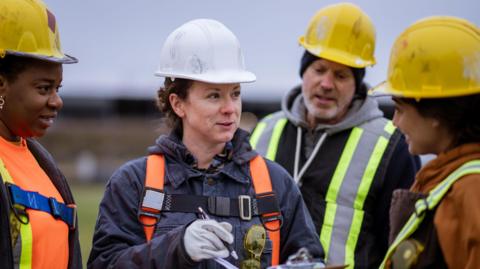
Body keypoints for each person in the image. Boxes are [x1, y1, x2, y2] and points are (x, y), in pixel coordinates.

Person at [87, 18, 324, 269]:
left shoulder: (275, 184)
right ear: (178, 104)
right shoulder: (135, 184)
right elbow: (105, 264)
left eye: (235, 93)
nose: (230, 109)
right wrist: (177, 247)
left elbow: (310, 259)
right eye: (214, 96)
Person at [250, 3, 420, 269]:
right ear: (303, 72)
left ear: (357, 83)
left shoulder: (391, 146)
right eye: (318, 70)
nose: (327, 84)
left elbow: (403, 246)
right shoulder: (263, 131)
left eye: (341, 75)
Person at [373, 16, 480, 269]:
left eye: (400, 109)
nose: (395, 122)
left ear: (435, 112)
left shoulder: (470, 189)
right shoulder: (447, 178)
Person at [0, 0, 81, 268]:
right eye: (44, 88)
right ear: (2, 86)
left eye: (58, 88)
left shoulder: (44, 164)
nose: (57, 101)